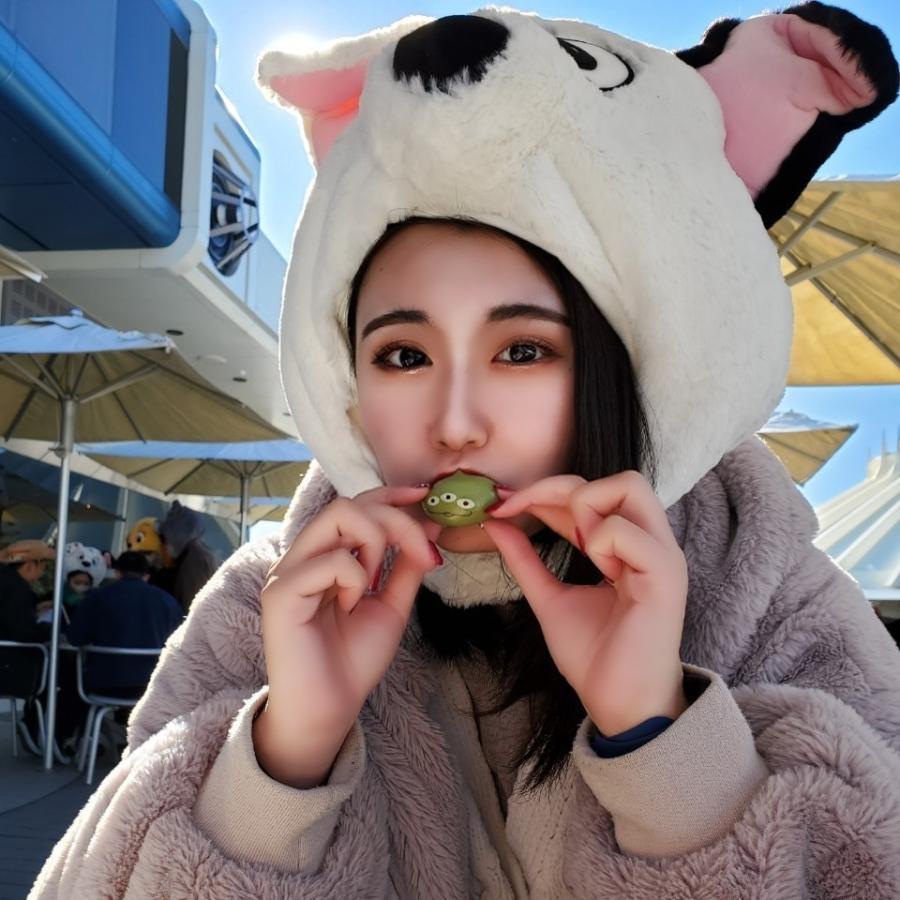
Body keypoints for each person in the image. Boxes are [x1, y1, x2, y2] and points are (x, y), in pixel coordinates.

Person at [32, 7, 900, 899]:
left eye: (522, 350)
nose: (454, 426)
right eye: (403, 357)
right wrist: (285, 758)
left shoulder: (776, 604)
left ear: (627, 369)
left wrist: (660, 738)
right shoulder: (264, 610)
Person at [65, 552, 183, 697]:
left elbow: (75, 639)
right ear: (146, 576)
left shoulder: (96, 598)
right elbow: (182, 644)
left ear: (117, 573)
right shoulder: (168, 602)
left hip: (104, 685)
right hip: (155, 688)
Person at [151, 502, 218, 613]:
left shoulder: (195, 562)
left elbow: (190, 609)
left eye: (164, 540)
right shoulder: (197, 554)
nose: (161, 547)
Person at [0, 540, 55, 643]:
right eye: (43, 567)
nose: (41, 574)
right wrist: (54, 628)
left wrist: (35, 608)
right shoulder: (17, 587)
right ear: (30, 566)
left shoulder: (6, 580)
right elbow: (25, 632)